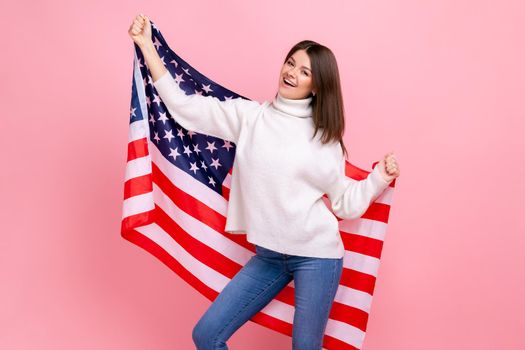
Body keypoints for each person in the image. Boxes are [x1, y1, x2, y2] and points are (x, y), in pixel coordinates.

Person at [128, 13, 401, 350]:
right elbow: (185, 108)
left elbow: (346, 202)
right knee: (207, 334)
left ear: (316, 86)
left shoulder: (324, 140)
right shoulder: (250, 117)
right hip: (269, 256)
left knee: (305, 347)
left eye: (305, 72)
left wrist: (379, 178)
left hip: (317, 257)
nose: (291, 73)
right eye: (291, 63)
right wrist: (147, 47)